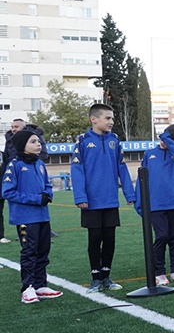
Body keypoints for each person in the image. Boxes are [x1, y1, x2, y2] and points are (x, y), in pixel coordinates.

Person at [72, 103, 136, 292]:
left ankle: (107, 276)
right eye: (108, 118)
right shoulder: (83, 140)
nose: (112, 122)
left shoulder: (114, 140)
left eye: (112, 118)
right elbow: (77, 170)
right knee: (95, 239)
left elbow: (122, 167)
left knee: (109, 239)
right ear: (94, 119)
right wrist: (80, 197)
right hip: (91, 201)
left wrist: (129, 193)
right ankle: (95, 278)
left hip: (110, 200)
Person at [4, 130, 60, 304]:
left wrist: (48, 194)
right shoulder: (14, 165)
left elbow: (47, 184)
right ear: (22, 145)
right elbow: (7, 192)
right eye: (34, 141)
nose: (39, 144)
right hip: (25, 218)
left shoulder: (40, 164)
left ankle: (40, 285)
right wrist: (37, 199)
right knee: (30, 252)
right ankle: (27, 288)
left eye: (39, 141)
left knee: (43, 250)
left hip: (43, 216)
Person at [135, 124, 174, 286]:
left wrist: (172, 145)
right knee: (161, 236)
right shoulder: (150, 154)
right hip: (156, 205)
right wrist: (140, 202)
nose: (165, 143)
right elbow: (142, 178)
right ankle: (159, 272)